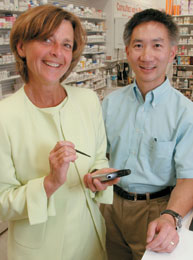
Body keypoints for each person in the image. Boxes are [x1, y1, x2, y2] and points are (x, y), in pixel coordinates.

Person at [0, 5, 118, 260]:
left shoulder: (88, 101)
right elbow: (2, 203)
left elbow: (99, 157)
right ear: (21, 47)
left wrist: (98, 177)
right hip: (38, 251)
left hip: (90, 240)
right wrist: (49, 183)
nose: (57, 53)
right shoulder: (5, 117)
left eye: (67, 44)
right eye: (46, 40)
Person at [101, 8, 193, 260]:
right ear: (128, 51)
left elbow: (189, 178)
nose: (147, 56)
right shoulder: (110, 103)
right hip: (109, 204)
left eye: (157, 45)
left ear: (172, 52)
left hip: (157, 210)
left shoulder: (185, 113)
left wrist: (171, 216)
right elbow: (99, 155)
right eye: (138, 45)